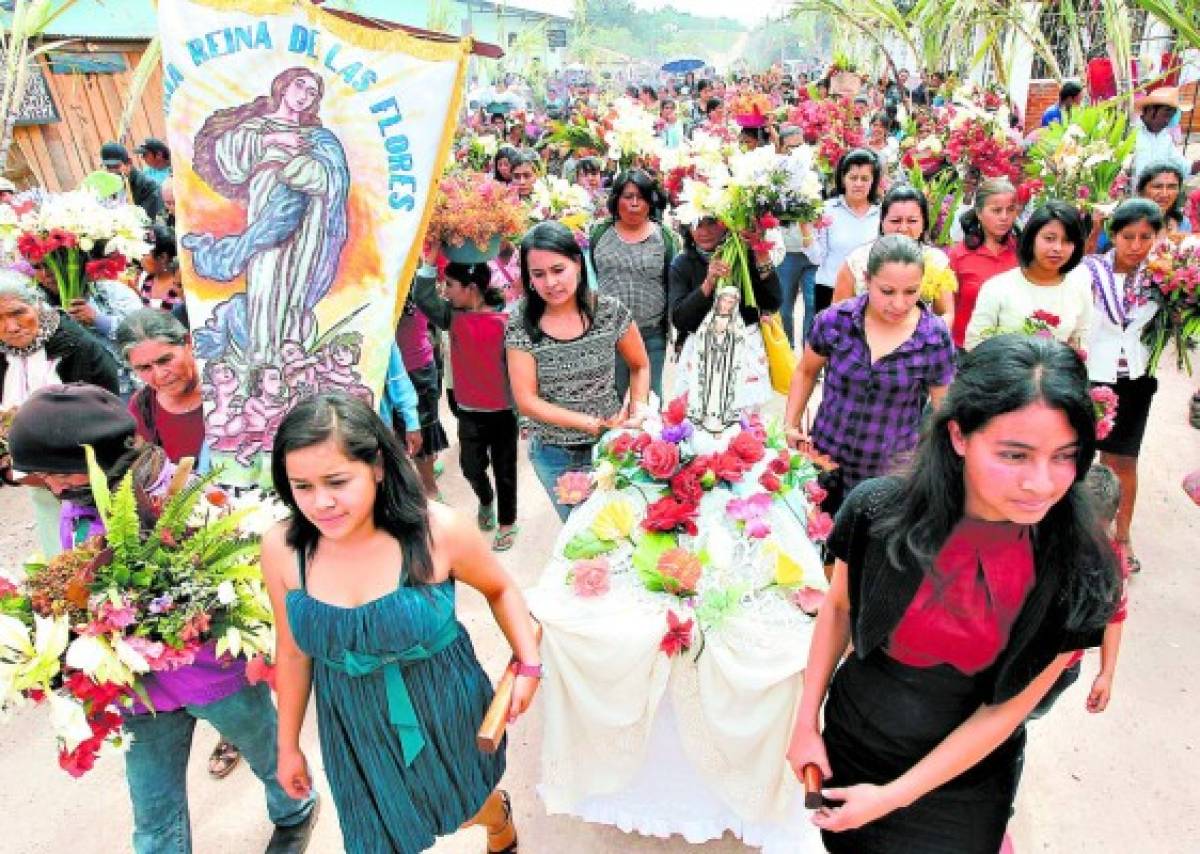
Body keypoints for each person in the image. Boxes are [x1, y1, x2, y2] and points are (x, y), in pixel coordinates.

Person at [786, 334, 1119, 853]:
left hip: (963, 779)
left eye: (1064, 457)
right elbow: (839, 609)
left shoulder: (1081, 570)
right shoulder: (877, 512)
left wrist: (891, 798)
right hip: (853, 740)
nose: (1041, 483)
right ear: (960, 436)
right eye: (1015, 454)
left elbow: (1005, 713)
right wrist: (805, 723)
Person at [7, 383, 319, 854]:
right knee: (152, 807)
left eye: (55, 474)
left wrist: (159, 613)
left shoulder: (180, 495)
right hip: (139, 692)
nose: (50, 487)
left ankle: (296, 810)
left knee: (266, 752)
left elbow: (240, 575)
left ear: (93, 458)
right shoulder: (79, 504)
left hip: (215, 677)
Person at [262, 392, 539, 854]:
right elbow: (291, 651)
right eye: (302, 486)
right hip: (350, 716)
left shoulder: (438, 530)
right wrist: (286, 745)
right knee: (377, 833)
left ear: (376, 467)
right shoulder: (282, 547)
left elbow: (501, 590)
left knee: (462, 802)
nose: (321, 502)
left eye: (336, 481)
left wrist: (528, 664)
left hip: (443, 699)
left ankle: (496, 814)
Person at [115, 308, 250, 778]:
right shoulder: (143, 407)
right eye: (144, 368)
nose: (158, 375)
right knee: (229, 625)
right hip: (196, 530)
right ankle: (237, 725)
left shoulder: (230, 385)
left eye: (165, 360)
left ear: (190, 343)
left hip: (254, 512)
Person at [182, 67, 349, 363]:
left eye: (312, 93)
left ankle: (290, 355)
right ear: (282, 86)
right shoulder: (257, 126)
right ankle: (263, 358)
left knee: (297, 281)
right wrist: (273, 141)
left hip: (310, 220)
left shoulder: (319, 137)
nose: (304, 96)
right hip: (268, 204)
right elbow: (230, 159)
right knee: (266, 276)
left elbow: (336, 177)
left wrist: (306, 169)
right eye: (300, 86)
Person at [784, 235, 956, 519]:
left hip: (888, 472)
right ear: (867, 279)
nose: (899, 303)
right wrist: (789, 424)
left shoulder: (934, 336)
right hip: (826, 458)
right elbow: (806, 371)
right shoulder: (835, 320)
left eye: (911, 291)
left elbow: (943, 408)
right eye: (887, 291)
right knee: (817, 536)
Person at [506, 222, 650, 520]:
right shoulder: (521, 322)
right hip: (554, 455)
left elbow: (640, 365)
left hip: (611, 447)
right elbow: (526, 400)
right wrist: (591, 423)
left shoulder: (610, 311)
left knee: (618, 528)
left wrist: (637, 411)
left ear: (578, 264)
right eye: (538, 274)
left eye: (558, 270)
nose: (550, 283)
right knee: (581, 531)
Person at [0, 273, 119, 557]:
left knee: (93, 554)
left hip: (81, 480)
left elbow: (100, 419)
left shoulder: (77, 348)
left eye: (19, 313)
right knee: (57, 553)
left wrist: (56, 470)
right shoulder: (4, 353)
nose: (11, 327)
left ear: (38, 305)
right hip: (35, 481)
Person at [411, 261, 520, 552]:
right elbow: (423, 298)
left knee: (505, 469)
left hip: (503, 411)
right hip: (469, 411)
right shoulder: (452, 317)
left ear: (471, 288)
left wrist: (524, 411)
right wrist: (429, 264)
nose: (444, 292)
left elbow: (520, 370)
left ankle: (508, 523)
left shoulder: (507, 321)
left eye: (449, 286)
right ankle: (486, 500)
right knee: (471, 468)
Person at [1081, 200, 1164, 575]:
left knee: (1123, 461)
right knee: (1081, 458)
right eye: (1128, 236)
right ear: (1114, 235)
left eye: (1145, 237)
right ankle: (1078, 536)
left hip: (1135, 379)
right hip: (1092, 375)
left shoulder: (1164, 276)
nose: (1136, 245)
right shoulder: (1091, 271)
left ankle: (1122, 537)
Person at [1029, 462, 1130, 719]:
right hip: (1020, 652)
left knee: (1019, 722)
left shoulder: (1111, 567)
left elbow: (1115, 617)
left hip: (1058, 666)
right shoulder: (1039, 532)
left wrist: (1106, 674)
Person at [588, 169, 677, 401]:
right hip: (610, 335)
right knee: (612, 399)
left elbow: (670, 284)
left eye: (641, 197)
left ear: (650, 202)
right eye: (628, 197)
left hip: (651, 334)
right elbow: (596, 277)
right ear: (616, 200)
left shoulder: (664, 238)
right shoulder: (600, 233)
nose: (634, 203)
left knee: (650, 401)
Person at [965, 202, 1092, 351]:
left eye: (1067, 241)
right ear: (1032, 238)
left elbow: (1081, 341)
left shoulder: (1078, 287)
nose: (1058, 248)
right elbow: (975, 344)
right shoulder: (997, 288)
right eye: (1049, 238)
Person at [832, 185, 957, 324]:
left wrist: (925, 339)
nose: (903, 228)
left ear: (924, 223)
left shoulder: (936, 261)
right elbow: (837, 316)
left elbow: (946, 314)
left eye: (912, 221)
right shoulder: (857, 261)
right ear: (882, 222)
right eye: (895, 221)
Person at [947, 178, 1020, 350]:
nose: (1004, 217)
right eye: (996, 210)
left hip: (1012, 351)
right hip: (966, 351)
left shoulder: (1023, 252)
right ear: (979, 213)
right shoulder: (959, 255)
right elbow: (947, 309)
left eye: (1010, 210)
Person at [809, 149, 883, 316]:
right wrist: (807, 232)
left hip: (867, 294)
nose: (858, 184)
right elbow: (816, 257)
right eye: (853, 178)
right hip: (829, 289)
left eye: (865, 179)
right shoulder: (826, 210)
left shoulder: (882, 214)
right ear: (843, 179)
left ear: (873, 181)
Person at [395, 293, 447, 499]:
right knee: (414, 427)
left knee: (419, 427)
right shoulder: (411, 287)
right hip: (414, 364)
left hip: (415, 367)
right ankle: (428, 474)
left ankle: (431, 490)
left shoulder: (406, 289)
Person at [1130, 87, 1198, 179]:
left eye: (1170, 117)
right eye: (1165, 115)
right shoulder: (1130, 133)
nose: (1167, 121)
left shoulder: (1165, 138)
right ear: (1151, 110)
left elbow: (1185, 167)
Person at [100, 141, 164, 222]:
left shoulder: (149, 188)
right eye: (108, 167)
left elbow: (148, 222)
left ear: (129, 163)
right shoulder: (106, 189)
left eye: (116, 166)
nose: (112, 171)